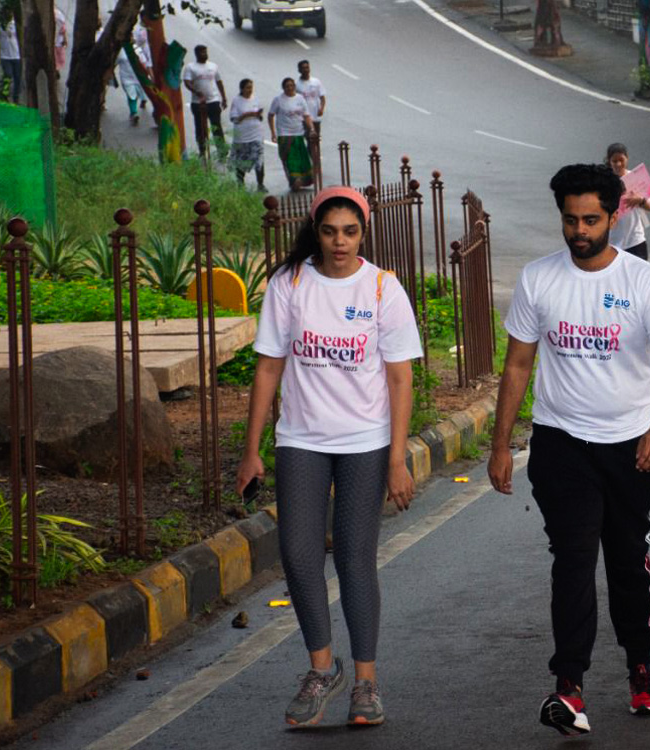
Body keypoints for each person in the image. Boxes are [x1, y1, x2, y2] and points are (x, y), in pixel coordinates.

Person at [487, 164, 650, 736]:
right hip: (561, 444)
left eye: (591, 219)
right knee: (573, 560)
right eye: (571, 220)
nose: (580, 230)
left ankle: (641, 668)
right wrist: (503, 444)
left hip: (630, 446)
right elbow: (518, 364)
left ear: (613, 216)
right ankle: (568, 687)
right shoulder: (538, 279)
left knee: (626, 559)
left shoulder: (644, 282)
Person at [235, 186, 422, 727]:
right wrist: (253, 451)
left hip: (365, 441)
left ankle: (366, 683)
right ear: (314, 231)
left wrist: (396, 459)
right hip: (301, 438)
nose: (340, 242)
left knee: (354, 559)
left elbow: (399, 377)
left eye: (351, 231)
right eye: (329, 231)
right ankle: (322, 669)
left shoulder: (383, 289)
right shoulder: (289, 284)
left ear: (363, 233)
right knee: (296, 553)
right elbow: (269, 367)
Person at [607, 143, 650, 260]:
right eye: (614, 161)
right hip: (611, 241)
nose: (618, 164)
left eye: (621, 160)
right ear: (609, 161)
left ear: (627, 158)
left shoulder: (636, 177)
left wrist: (640, 200)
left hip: (635, 239)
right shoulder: (605, 181)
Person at [269, 77, 315, 191]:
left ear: (294, 86)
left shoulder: (300, 99)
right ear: (283, 88)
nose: (289, 88)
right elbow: (270, 115)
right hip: (285, 136)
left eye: (291, 85)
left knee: (302, 159)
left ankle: (303, 181)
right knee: (291, 160)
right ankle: (294, 181)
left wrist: (312, 129)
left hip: (299, 134)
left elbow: (306, 116)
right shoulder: (278, 100)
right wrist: (273, 133)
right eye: (287, 86)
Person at [182, 45, 228, 158]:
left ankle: (221, 151)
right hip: (198, 103)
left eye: (205, 52)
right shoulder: (191, 67)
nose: (204, 54)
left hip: (213, 101)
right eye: (202, 52)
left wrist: (224, 97)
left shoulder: (213, 66)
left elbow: (219, 81)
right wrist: (196, 92)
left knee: (216, 126)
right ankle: (202, 150)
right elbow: (187, 82)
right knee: (201, 128)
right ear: (196, 54)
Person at [229, 79, 266, 190]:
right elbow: (234, 119)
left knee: (259, 160)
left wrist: (258, 115)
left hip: (256, 135)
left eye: (251, 87)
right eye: (247, 87)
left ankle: (260, 184)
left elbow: (260, 117)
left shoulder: (255, 99)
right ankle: (240, 184)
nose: (250, 90)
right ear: (242, 89)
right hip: (242, 138)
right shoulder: (236, 101)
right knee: (241, 162)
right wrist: (248, 114)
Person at [115, 44, 150, 127]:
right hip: (126, 77)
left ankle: (143, 100)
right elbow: (114, 63)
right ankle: (133, 113)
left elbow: (144, 63)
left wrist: (148, 74)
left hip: (138, 77)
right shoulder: (121, 51)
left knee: (139, 93)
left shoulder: (138, 49)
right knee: (131, 95)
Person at [0, 11, 21, 103]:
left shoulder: (16, 24)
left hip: (17, 55)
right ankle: (5, 96)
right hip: (5, 56)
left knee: (18, 78)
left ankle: (16, 98)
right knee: (7, 76)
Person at [296, 60, 327, 137]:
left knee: (315, 139)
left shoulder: (316, 82)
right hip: (303, 118)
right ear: (299, 70)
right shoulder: (296, 84)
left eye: (307, 67)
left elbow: (322, 97)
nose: (305, 70)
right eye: (303, 68)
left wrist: (321, 109)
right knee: (307, 138)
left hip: (315, 116)